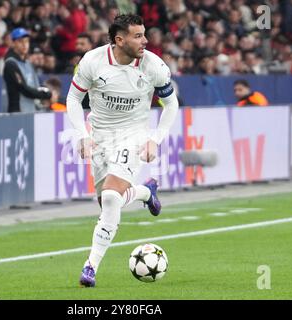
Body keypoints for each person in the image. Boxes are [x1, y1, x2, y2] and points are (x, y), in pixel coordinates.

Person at [66, 14, 179, 287]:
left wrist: (155, 139)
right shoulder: (92, 61)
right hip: (100, 136)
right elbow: (73, 97)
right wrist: (82, 135)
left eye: (144, 34)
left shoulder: (153, 65)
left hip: (133, 135)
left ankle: (90, 266)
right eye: (138, 36)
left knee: (112, 197)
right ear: (119, 40)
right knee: (106, 202)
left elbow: (171, 105)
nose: (145, 40)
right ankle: (144, 192)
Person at [3, 27, 52, 113]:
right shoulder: (10, 63)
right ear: (13, 43)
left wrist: (46, 91)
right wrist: (43, 95)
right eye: (20, 41)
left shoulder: (28, 64)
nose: (24, 44)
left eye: (26, 41)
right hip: (17, 112)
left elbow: (36, 84)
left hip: (30, 111)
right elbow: (23, 89)